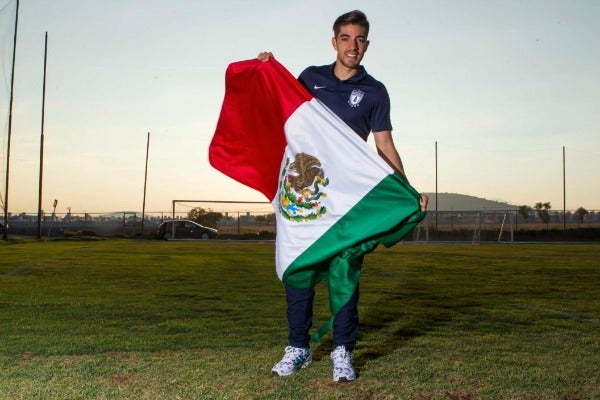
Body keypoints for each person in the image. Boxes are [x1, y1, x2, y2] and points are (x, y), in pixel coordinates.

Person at [258, 10, 428, 382]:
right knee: (298, 267)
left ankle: (341, 350)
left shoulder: (374, 91)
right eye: (346, 38)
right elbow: (281, 105)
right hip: (305, 192)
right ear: (334, 42)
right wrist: (267, 70)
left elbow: (384, 145)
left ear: (367, 44)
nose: (354, 46)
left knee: (344, 268)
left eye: (361, 39)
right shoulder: (309, 78)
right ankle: (298, 347)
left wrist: (406, 188)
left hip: (347, 199)